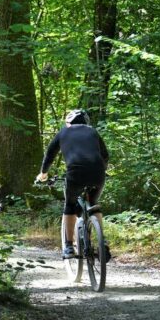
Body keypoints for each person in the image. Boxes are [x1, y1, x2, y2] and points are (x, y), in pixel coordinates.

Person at [35, 109, 110, 260]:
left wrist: (43, 174)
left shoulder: (63, 132)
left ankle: (69, 246)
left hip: (75, 173)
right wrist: (101, 170)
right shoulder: (93, 132)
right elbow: (105, 155)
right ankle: (103, 243)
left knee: (69, 205)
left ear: (69, 122)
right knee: (93, 202)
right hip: (98, 172)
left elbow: (49, 155)